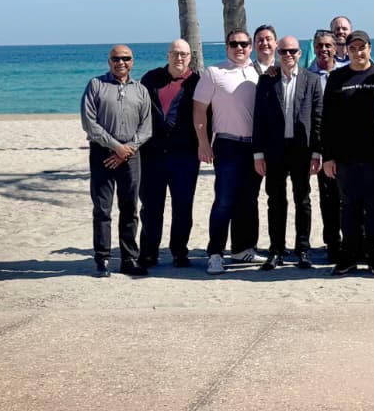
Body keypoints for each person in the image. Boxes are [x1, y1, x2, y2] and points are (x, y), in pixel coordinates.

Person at [194, 28, 266, 275]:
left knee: (249, 200)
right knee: (224, 201)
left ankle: (242, 249)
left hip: (255, 146)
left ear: (251, 47)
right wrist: (203, 142)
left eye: (244, 44)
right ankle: (215, 253)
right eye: (234, 44)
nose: (240, 48)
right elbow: (199, 110)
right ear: (227, 47)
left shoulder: (259, 73)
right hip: (227, 144)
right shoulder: (214, 73)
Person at [319, 30, 374, 276]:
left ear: (370, 48)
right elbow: (326, 120)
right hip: (345, 158)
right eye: (353, 48)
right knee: (348, 207)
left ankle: (373, 255)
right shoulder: (337, 77)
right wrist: (327, 156)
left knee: (373, 207)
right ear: (346, 51)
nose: (358, 53)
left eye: (362, 48)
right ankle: (347, 256)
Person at [252, 35, 323, 270]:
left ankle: (302, 249)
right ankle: (276, 250)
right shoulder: (266, 80)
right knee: (276, 200)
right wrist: (258, 153)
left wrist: (317, 152)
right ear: (277, 53)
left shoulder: (312, 80)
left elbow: (318, 118)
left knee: (302, 199)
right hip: (274, 150)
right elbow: (259, 118)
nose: (288, 55)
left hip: (302, 150)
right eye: (283, 51)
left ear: (300, 53)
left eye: (292, 51)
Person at [80, 44, 152, 277]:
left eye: (126, 58)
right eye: (116, 59)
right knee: (102, 208)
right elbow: (89, 122)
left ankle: (129, 259)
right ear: (109, 61)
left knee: (130, 208)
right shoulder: (96, 85)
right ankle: (102, 259)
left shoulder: (141, 90)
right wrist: (115, 147)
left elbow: (146, 127)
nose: (121, 62)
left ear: (133, 61)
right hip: (102, 154)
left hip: (131, 156)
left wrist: (127, 149)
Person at [137, 39, 201, 269]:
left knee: (183, 207)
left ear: (190, 57)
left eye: (184, 54)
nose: (179, 58)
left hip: (185, 155)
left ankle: (179, 252)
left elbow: (207, 114)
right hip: (152, 154)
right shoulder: (150, 78)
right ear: (168, 55)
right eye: (175, 53)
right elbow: (137, 110)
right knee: (151, 207)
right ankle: (148, 252)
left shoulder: (197, 81)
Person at [308, 29, 344, 262]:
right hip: (320, 148)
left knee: (350, 198)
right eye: (320, 45)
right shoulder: (307, 76)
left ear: (335, 47)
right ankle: (332, 243)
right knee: (328, 198)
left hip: (346, 148)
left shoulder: (345, 74)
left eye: (328, 45)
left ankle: (354, 243)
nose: (324, 49)